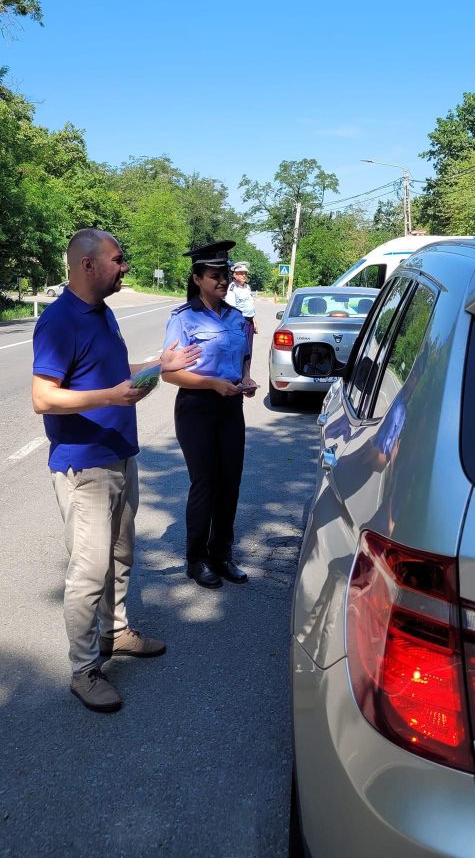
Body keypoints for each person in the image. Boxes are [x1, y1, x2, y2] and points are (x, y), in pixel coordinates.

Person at [32, 228, 200, 714]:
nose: (125, 267)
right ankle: (84, 670)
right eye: (118, 259)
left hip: (121, 454)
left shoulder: (103, 313)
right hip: (84, 465)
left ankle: (114, 630)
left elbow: (114, 374)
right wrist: (109, 397)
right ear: (88, 265)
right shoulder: (61, 321)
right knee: (87, 572)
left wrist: (156, 365)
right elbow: (44, 397)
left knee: (121, 555)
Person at [162, 241, 258, 589]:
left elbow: (243, 357)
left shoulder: (236, 317)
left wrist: (245, 379)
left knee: (230, 483)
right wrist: (213, 384)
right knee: (205, 483)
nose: (222, 282)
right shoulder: (183, 318)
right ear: (198, 278)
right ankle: (196, 559)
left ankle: (222, 553)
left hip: (231, 405)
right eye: (215, 277)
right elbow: (169, 373)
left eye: (225, 276)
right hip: (196, 408)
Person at [225, 261, 258, 369]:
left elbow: (250, 305)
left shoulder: (247, 287)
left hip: (249, 322)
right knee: (239, 351)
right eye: (241, 273)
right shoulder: (232, 288)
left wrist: (254, 320)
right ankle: (237, 379)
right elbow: (231, 309)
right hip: (239, 323)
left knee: (249, 351)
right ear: (234, 274)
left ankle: (246, 377)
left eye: (245, 273)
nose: (244, 275)